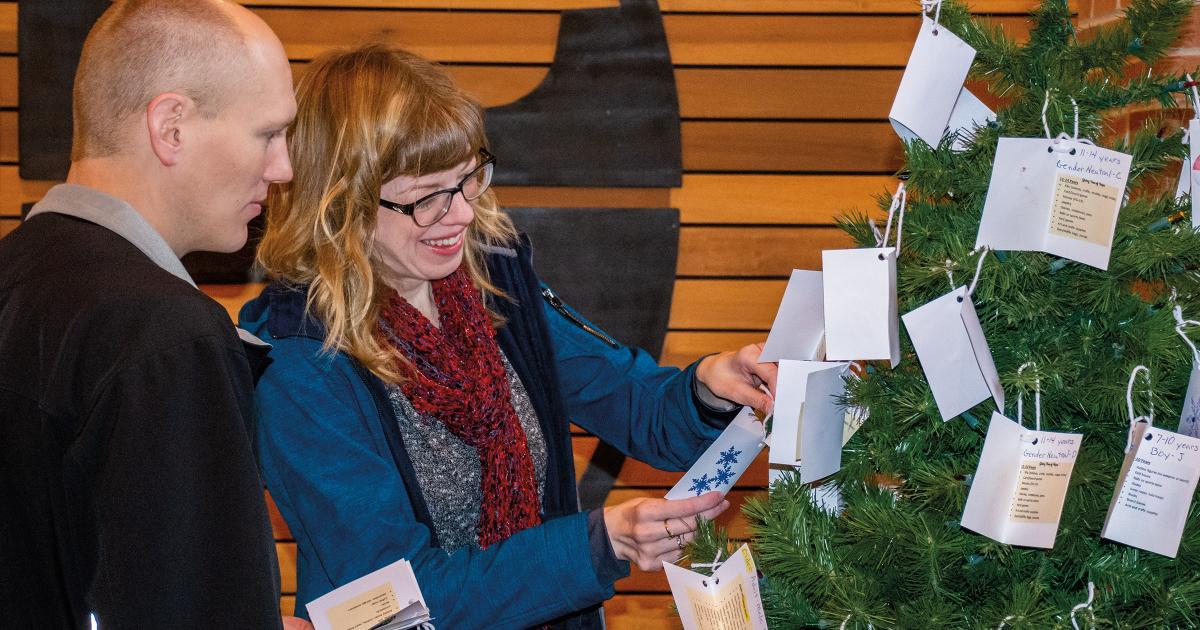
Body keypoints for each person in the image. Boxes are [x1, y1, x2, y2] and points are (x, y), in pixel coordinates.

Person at [241, 44, 778, 629]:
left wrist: (707, 390)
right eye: (427, 197)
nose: (463, 213)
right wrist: (597, 546)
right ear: (340, 202)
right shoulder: (299, 364)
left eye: (469, 178)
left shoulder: (491, 288)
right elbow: (396, 604)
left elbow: (635, 403)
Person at [0, 1, 303, 627]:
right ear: (171, 127)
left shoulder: (17, 274)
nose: (283, 168)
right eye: (268, 134)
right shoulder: (166, 335)